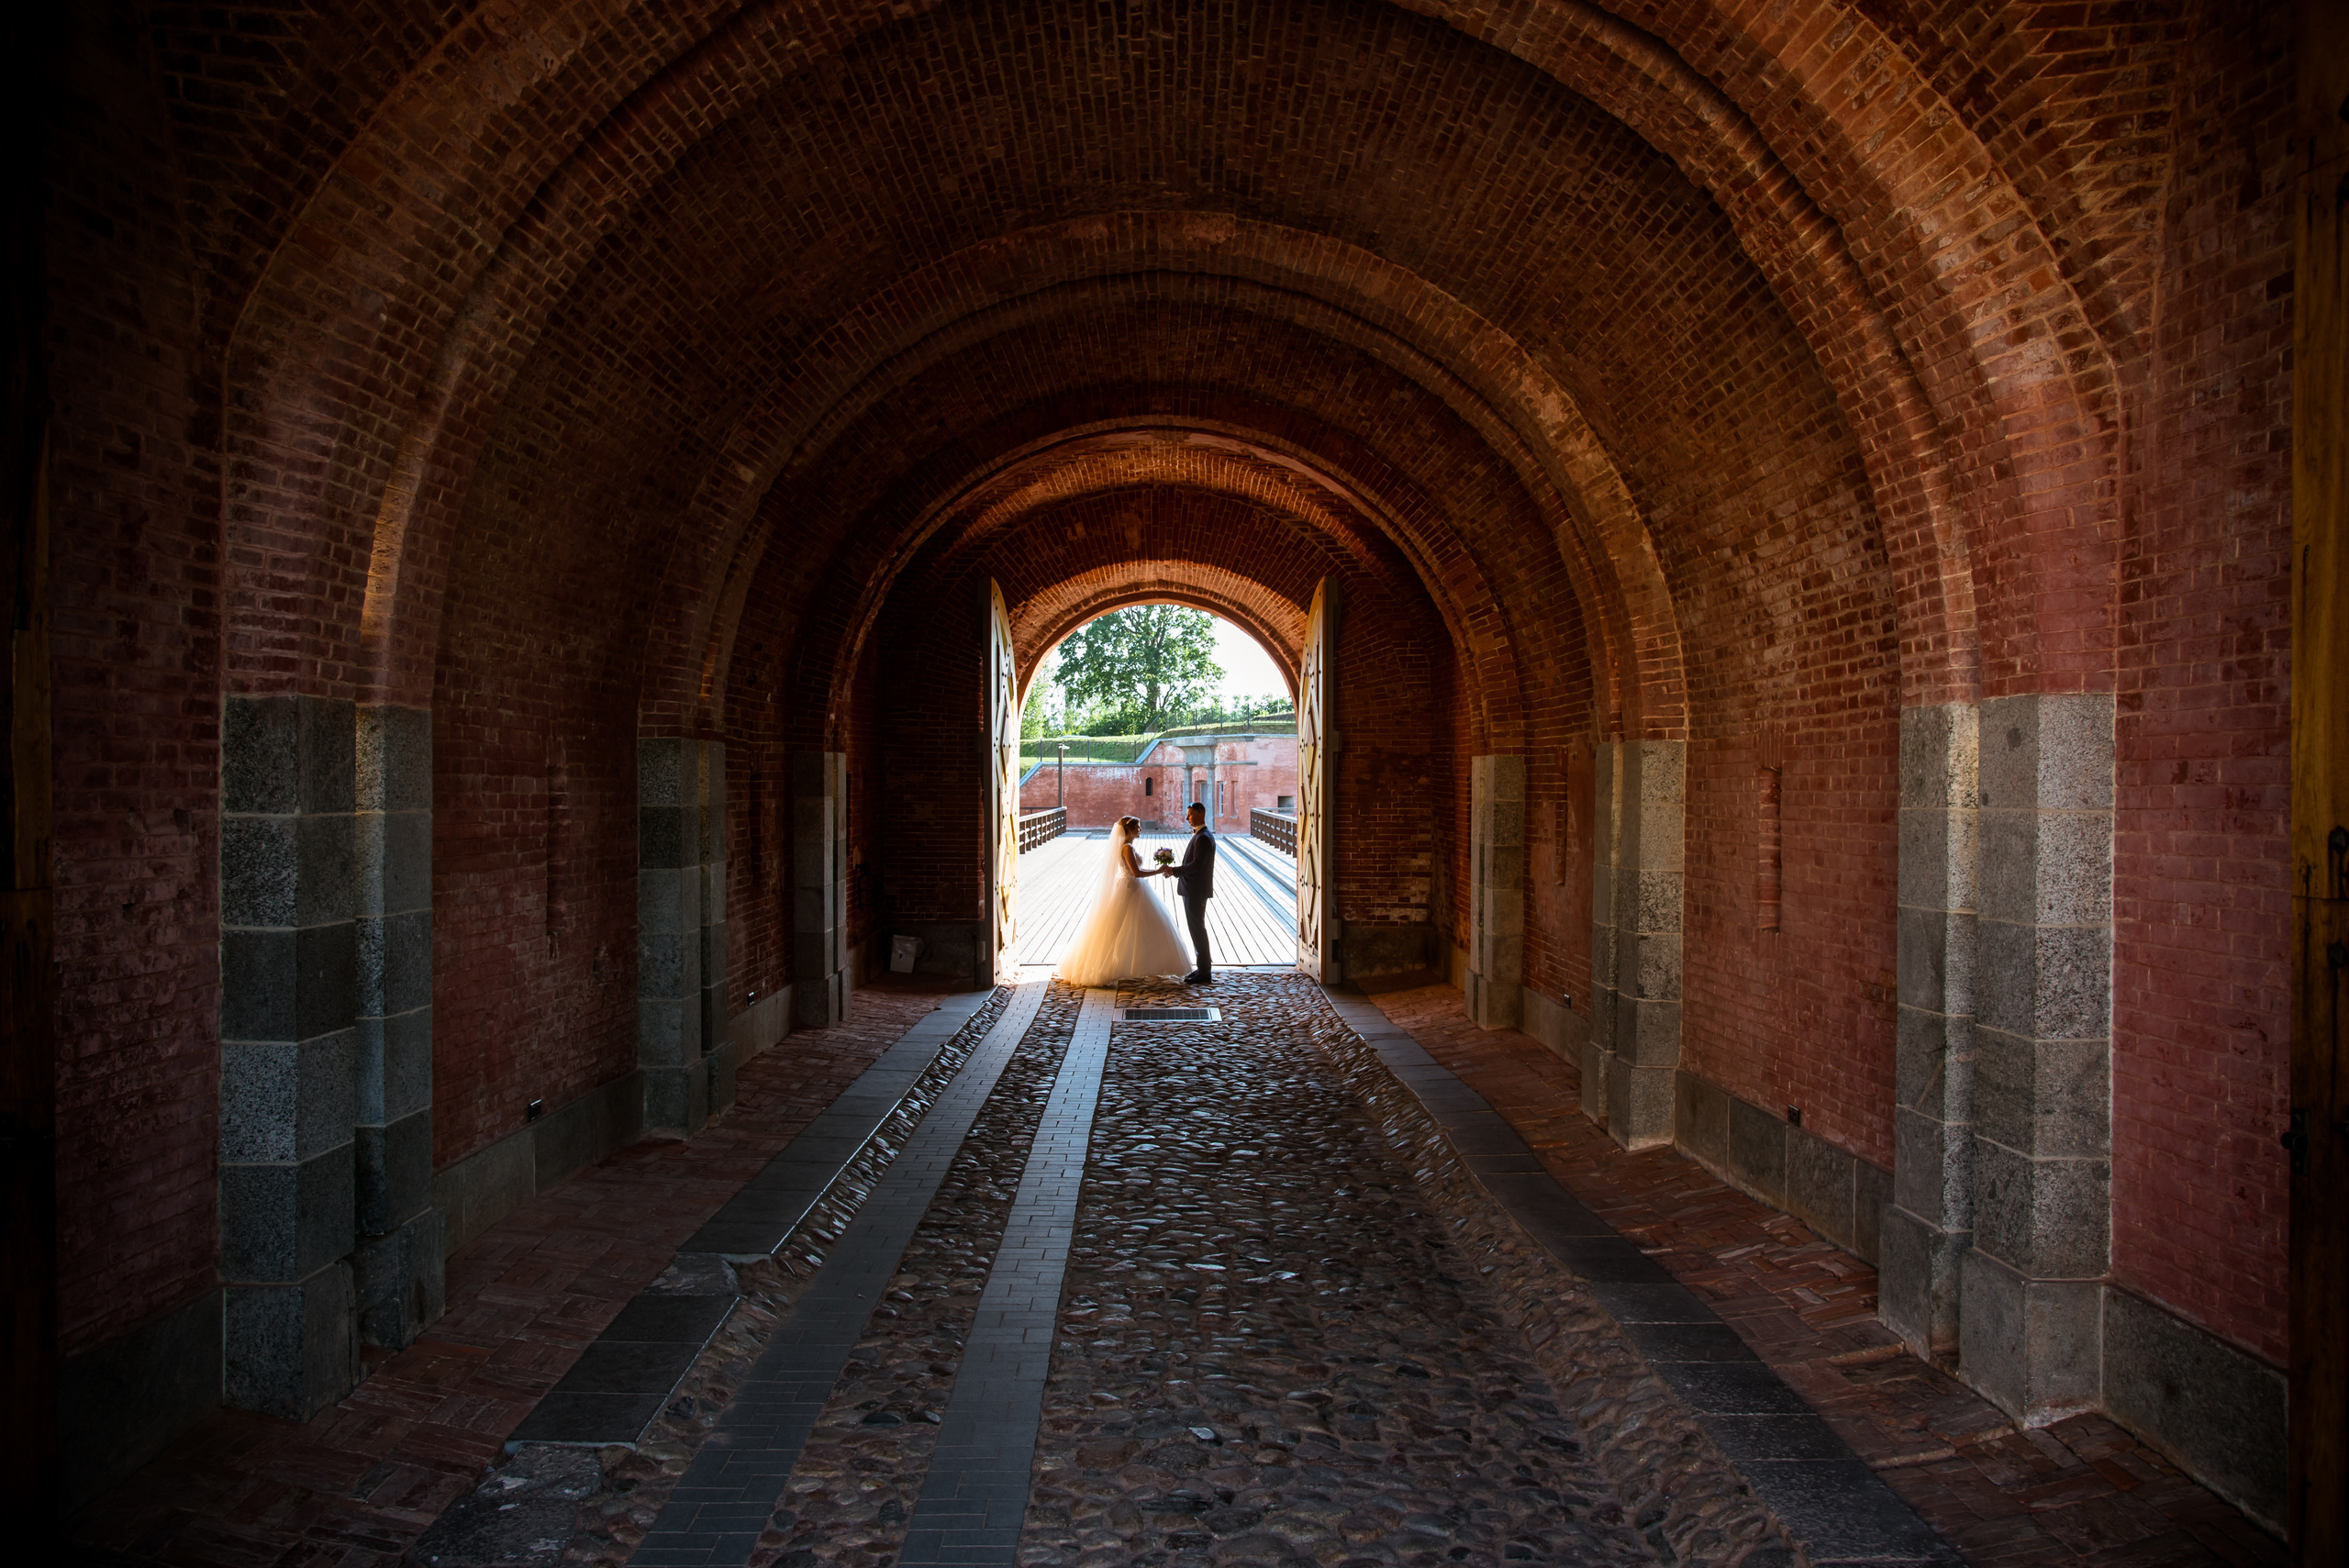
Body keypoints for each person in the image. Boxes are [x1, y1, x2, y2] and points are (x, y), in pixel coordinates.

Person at [1056, 815, 1194, 986]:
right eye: (1137, 827)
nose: (1140, 830)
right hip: (1130, 889)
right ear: (1129, 830)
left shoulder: (1127, 846)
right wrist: (1159, 871)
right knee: (1125, 928)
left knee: (1136, 929)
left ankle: (1138, 967)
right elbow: (1136, 873)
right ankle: (1119, 967)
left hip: (1133, 887)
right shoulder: (1127, 848)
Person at [1156, 800, 1216, 984]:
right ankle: (1202, 968)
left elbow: (1197, 865)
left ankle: (1204, 971)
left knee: (1197, 930)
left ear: (1200, 813)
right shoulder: (1201, 835)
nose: (1186, 818)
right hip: (1193, 889)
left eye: (1190, 815)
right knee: (1196, 929)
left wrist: (1174, 871)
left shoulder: (1203, 837)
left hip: (1195, 890)